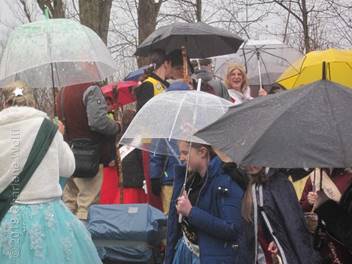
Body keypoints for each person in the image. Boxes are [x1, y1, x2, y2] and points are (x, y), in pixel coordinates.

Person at [0, 81, 102, 264]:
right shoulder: (47, 128)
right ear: (32, 102)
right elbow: (68, 167)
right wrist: (59, 137)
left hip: (8, 213)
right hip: (50, 214)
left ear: (4, 103)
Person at [165, 141, 243, 264]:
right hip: (185, 252)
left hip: (210, 256)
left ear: (202, 152)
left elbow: (232, 229)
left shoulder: (225, 182)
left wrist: (191, 212)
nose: (181, 158)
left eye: (185, 153)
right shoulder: (190, 179)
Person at [56, 82, 120, 220]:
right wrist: (116, 126)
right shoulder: (90, 89)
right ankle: (82, 240)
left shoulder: (62, 92)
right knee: (87, 206)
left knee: (69, 204)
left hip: (68, 155)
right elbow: (98, 122)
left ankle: (68, 239)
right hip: (89, 158)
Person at [238, 166, 320, 264]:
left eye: (254, 160)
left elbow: (294, 224)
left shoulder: (279, 183)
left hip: (290, 252)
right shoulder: (253, 189)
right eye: (247, 162)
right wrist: (272, 239)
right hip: (272, 253)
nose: (251, 165)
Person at [300, 168, 352, 263]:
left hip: (341, 241)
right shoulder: (314, 177)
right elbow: (301, 209)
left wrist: (325, 203)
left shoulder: (348, 178)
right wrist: (309, 201)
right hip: (320, 242)